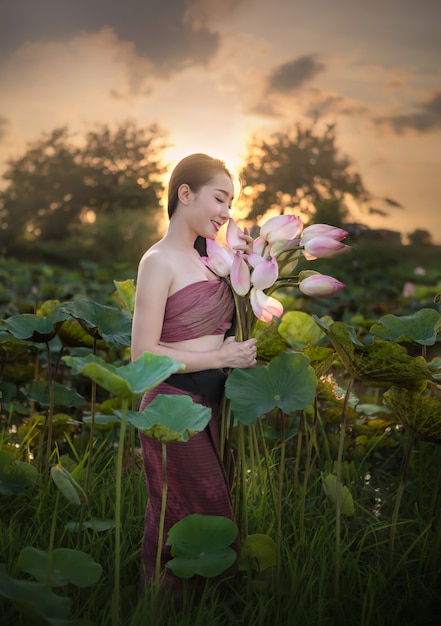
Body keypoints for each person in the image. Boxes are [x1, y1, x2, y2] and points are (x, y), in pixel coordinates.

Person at [131, 153, 257, 590]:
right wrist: (223, 357)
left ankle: (201, 608)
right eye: (220, 199)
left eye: (231, 203)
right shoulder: (158, 262)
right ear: (185, 194)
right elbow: (142, 356)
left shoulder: (213, 260)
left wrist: (250, 266)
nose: (227, 213)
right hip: (171, 403)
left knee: (201, 515)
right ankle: (159, 608)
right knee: (189, 512)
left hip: (211, 405)